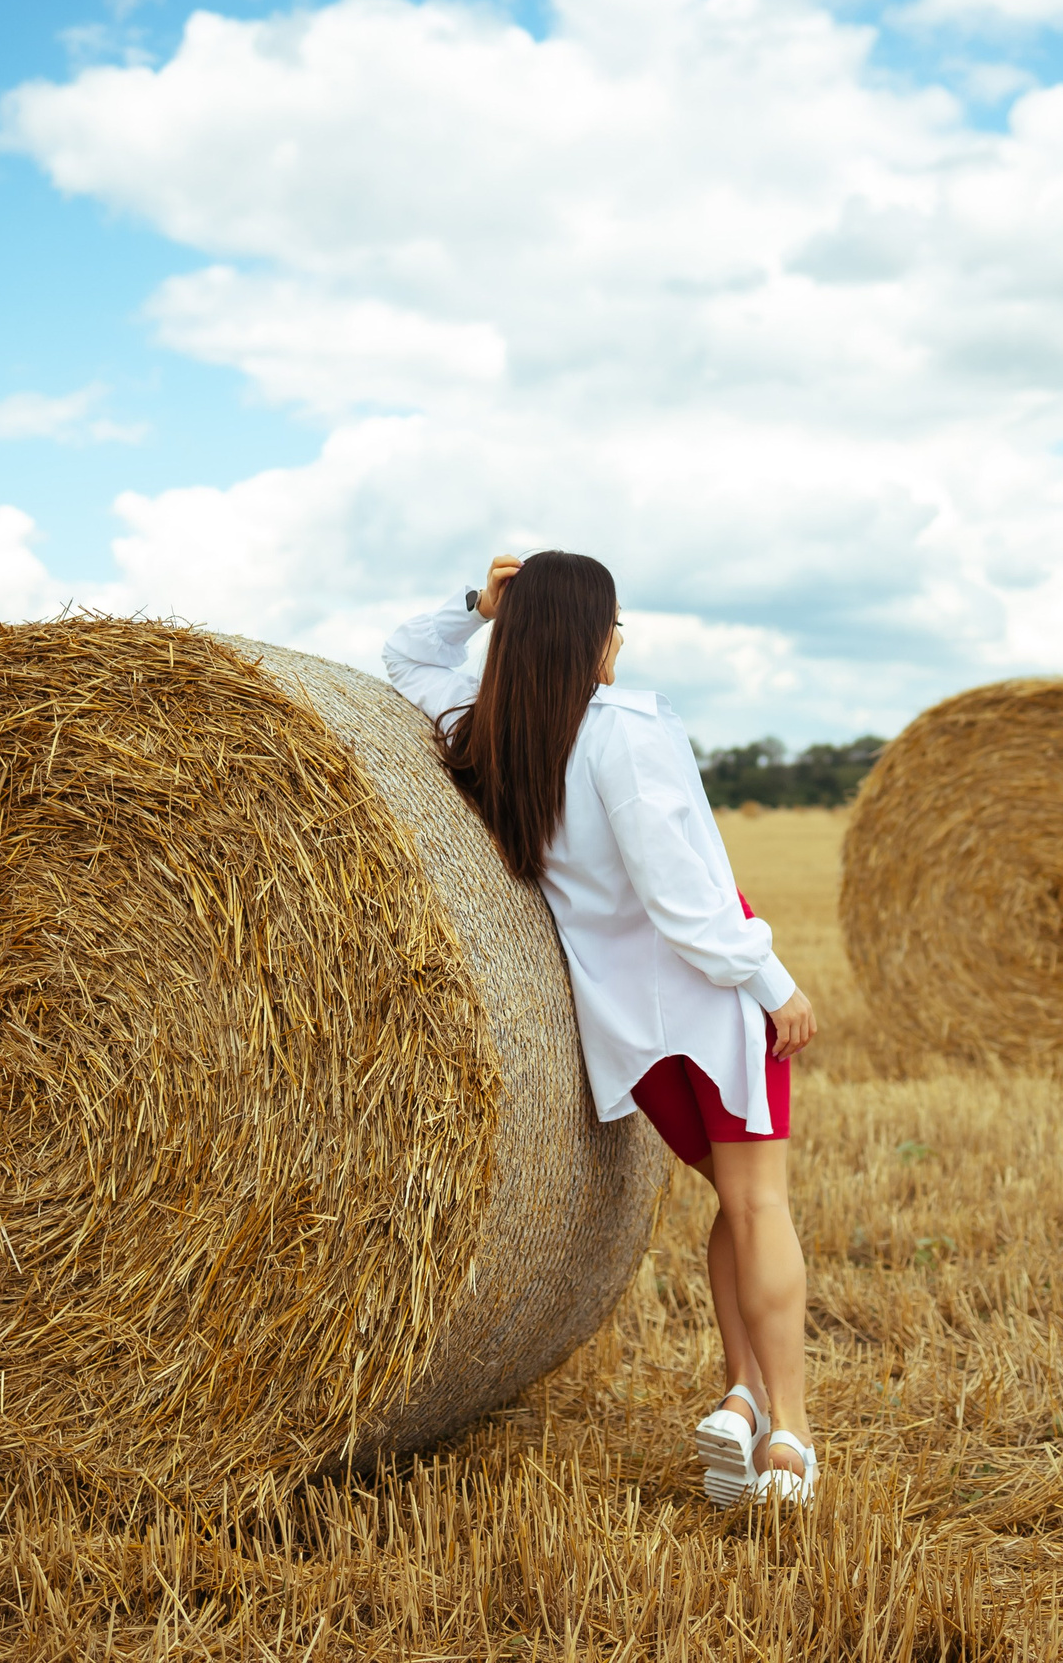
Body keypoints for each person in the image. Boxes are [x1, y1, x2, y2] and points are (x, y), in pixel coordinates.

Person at [383, 551, 822, 1506]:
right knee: (761, 1204)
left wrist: (477, 606)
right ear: (593, 635)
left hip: (624, 1024)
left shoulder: (493, 728)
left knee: (734, 1200)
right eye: (614, 623)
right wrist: (773, 982)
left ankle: (741, 1397)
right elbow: (682, 897)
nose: (621, 639)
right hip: (709, 1000)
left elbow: (405, 656)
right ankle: (790, 1435)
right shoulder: (624, 727)